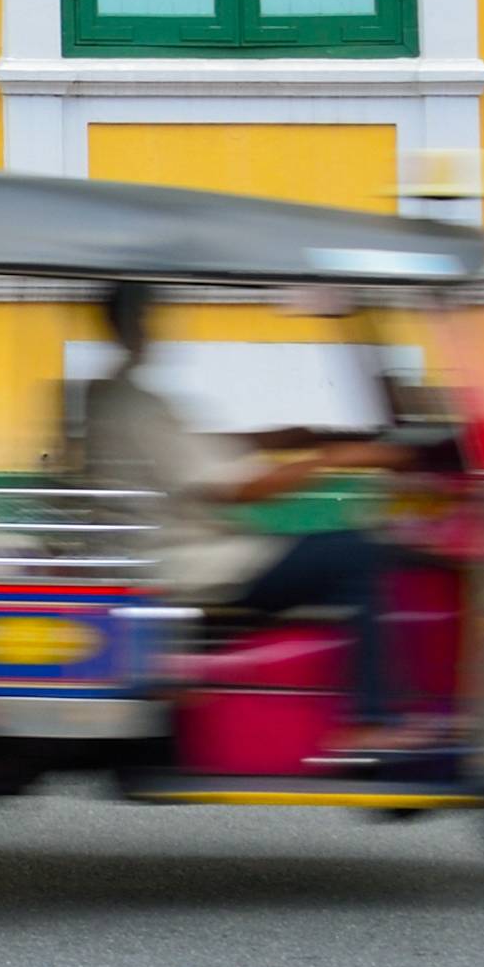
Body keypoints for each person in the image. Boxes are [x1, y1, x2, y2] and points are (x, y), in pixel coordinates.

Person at [78, 280, 434, 757]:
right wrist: (338, 458)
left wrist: (282, 439)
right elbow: (237, 490)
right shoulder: (140, 404)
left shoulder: (112, 394)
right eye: (148, 318)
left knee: (341, 550)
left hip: (170, 552)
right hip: (194, 562)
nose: (153, 329)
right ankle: (368, 720)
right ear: (136, 324)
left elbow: (189, 448)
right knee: (360, 555)